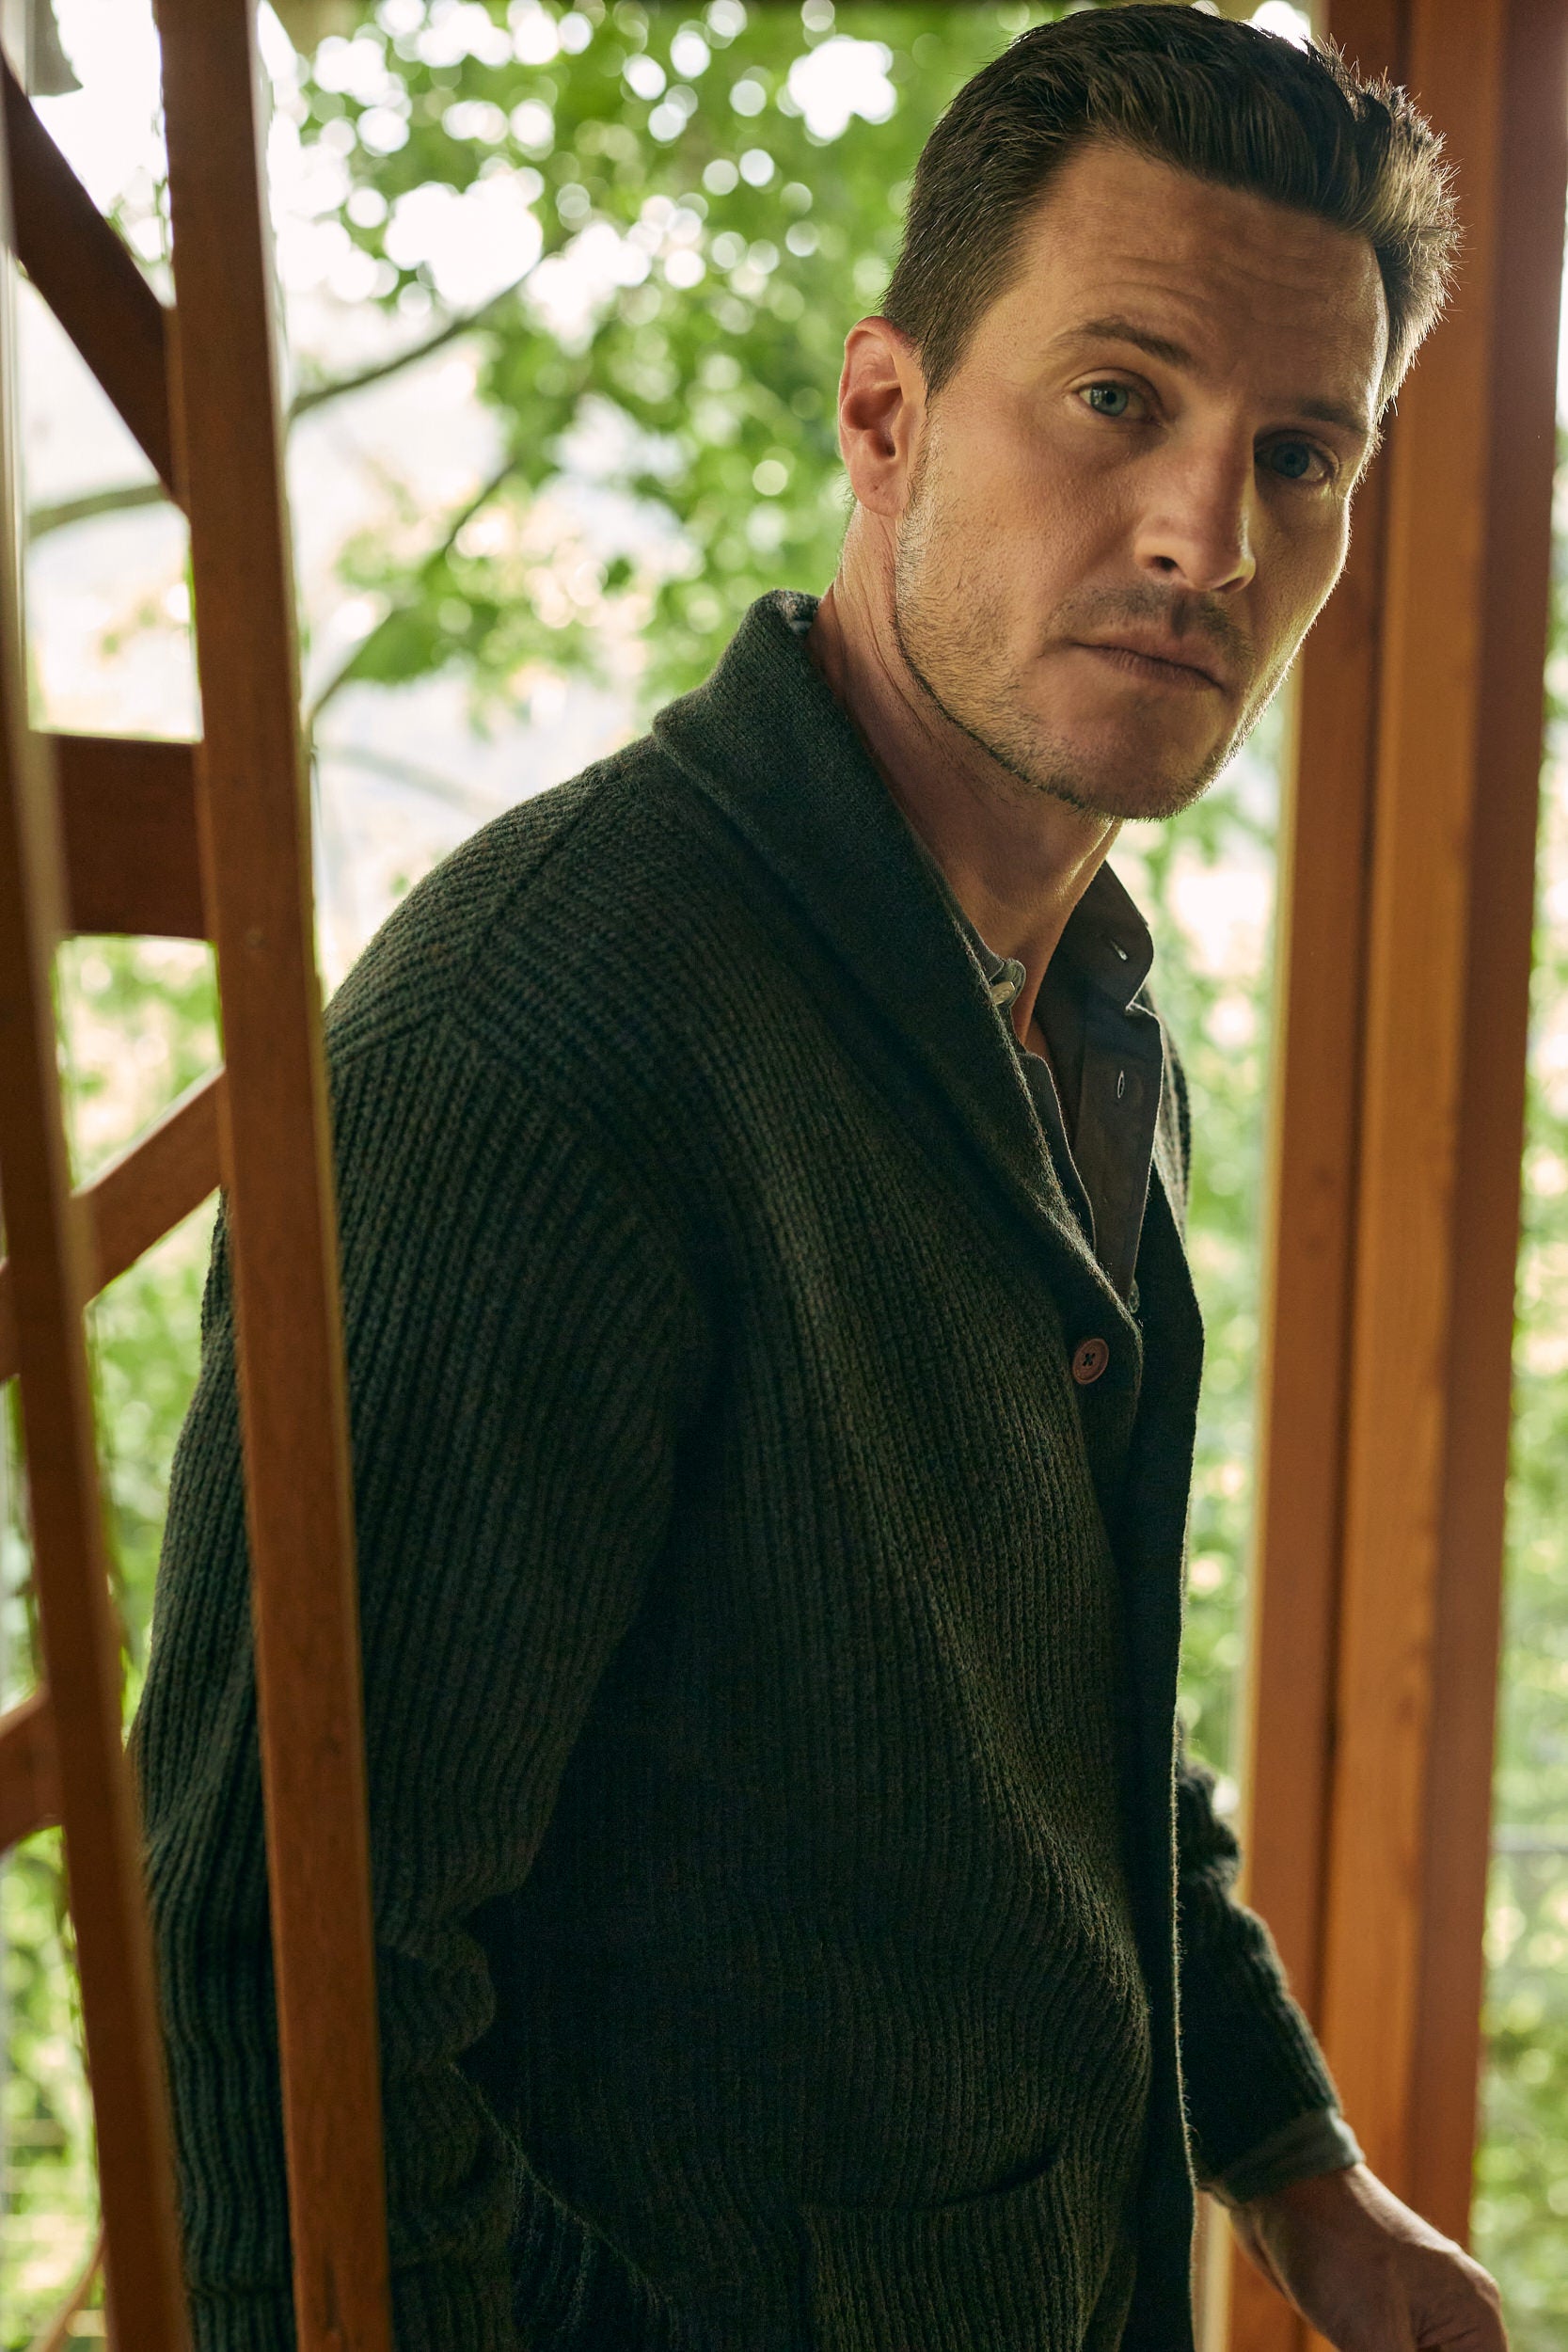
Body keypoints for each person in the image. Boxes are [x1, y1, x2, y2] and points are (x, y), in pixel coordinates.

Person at [135, 9, 1507, 2348]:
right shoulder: (542, 1042)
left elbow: (1051, 1712)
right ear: (885, 417)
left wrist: (1301, 2171)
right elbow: (280, 2009)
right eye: (1120, 396)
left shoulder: (1080, 1010)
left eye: (1303, 454)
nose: (1209, 533)